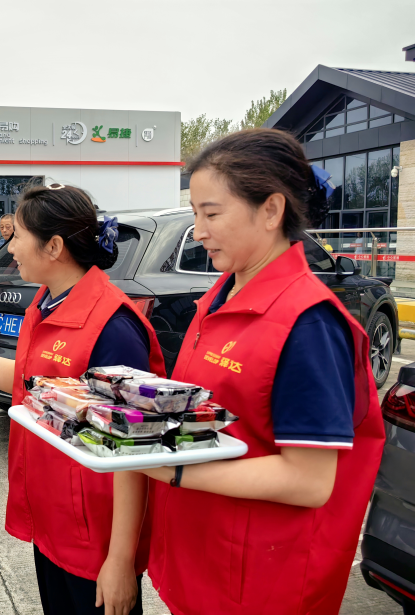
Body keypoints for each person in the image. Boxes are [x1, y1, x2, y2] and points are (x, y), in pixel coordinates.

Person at [136, 129, 384, 615]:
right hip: (205, 560)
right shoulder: (221, 295)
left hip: (260, 580)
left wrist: (174, 470)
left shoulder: (308, 322)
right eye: (194, 215)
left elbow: (309, 481)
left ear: (271, 211)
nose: (199, 231)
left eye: (211, 214)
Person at [0, 183, 166, 615]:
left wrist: (120, 560)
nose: (9, 246)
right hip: (55, 521)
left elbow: (136, 454)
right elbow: (26, 384)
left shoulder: (113, 327)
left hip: (95, 536)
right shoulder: (47, 304)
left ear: (53, 246)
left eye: (16, 235)